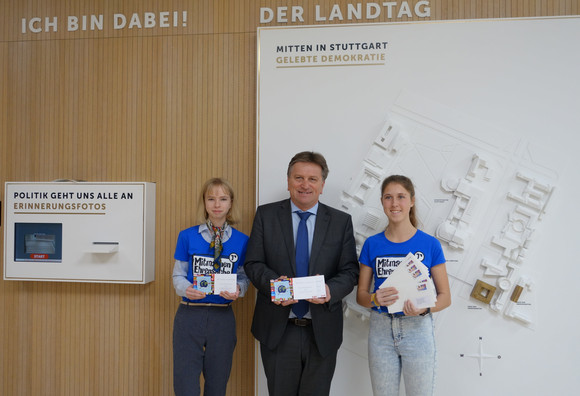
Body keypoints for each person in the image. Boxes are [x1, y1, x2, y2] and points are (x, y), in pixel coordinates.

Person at [245, 151, 359, 396]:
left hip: (322, 331)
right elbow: (253, 263)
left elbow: (350, 271)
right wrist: (274, 285)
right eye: (298, 178)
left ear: (322, 185)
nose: (305, 185)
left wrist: (331, 290)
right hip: (278, 328)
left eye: (312, 179)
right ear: (288, 182)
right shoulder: (266, 215)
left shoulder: (340, 222)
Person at [356, 175, 451, 396]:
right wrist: (374, 299)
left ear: (412, 201)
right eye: (388, 197)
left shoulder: (430, 244)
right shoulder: (372, 244)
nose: (394, 203)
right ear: (382, 202)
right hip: (380, 331)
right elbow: (361, 295)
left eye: (401, 197)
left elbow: (446, 296)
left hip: (418, 330)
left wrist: (424, 308)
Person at [172, 177, 249, 396]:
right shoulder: (187, 236)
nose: (217, 204)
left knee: (217, 384)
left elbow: (244, 277)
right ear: (204, 203)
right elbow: (177, 274)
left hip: (222, 318)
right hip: (189, 314)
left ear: (231, 203)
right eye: (211, 199)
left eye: (223, 199)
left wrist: (239, 290)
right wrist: (186, 288)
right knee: (185, 384)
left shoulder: (243, 241)